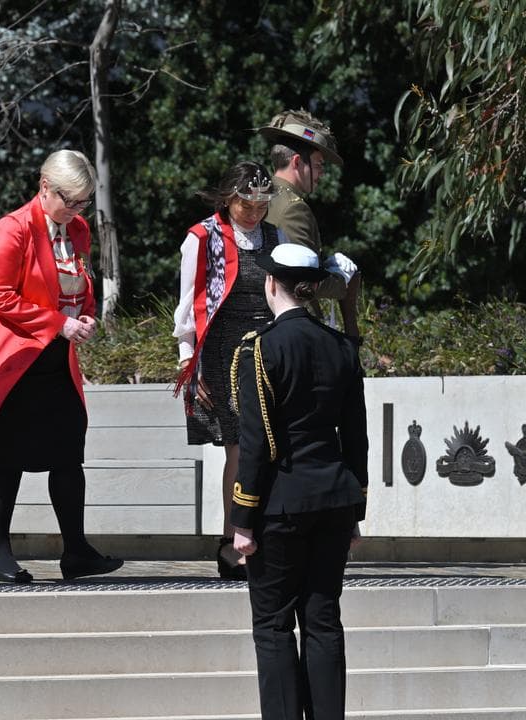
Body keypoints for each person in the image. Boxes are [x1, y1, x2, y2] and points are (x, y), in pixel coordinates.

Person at [0, 149, 123, 583]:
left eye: (84, 202)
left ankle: (77, 551)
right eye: (71, 200)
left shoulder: (78, 229)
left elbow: (80, 285)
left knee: (68, 455)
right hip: (13, 357)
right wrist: (59, 323)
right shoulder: (12, 229)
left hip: (56, 358)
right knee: (3, 458)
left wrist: (85, 314)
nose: (77, 210)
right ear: (45, 188)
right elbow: (1, 298)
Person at [231, 243, 368, 719]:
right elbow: (356, 438)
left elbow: (257, 444)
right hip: (334, 500)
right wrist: (356, 511)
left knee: (272, 627)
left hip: (279, 507)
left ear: (272, 284)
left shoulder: (261, 347)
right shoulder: (340, 348)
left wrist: (242, 519)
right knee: (323, 621)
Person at [172, 161, 284, 580]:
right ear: (228, 198)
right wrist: (189, 361)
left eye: (261, 203)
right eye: (245, 203)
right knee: (239, 448)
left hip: (270, 349)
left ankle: (268, 533)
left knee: (274, 445)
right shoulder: (202, 237)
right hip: (222, 351)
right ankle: (232, 539)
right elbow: (189, 304)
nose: (254, 212)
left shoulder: (276, 237)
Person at [259, 110, 360, 336]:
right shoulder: (293, 208)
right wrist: (342, 280)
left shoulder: (262, 194)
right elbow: (301, 279)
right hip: (288, 328)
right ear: (297, 162)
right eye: (318, 164)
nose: (321, 174)